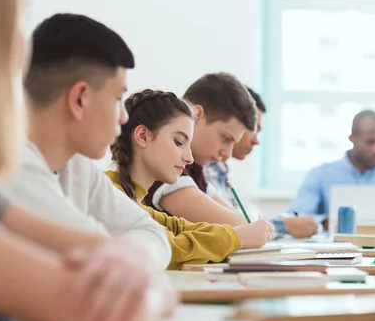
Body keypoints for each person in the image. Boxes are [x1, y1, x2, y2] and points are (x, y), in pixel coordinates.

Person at [0, 0, 171, 321]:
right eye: (20, 18)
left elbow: (129, 244)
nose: (123, 118)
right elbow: (96, 306)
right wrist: (154, 289)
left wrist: (134, 265)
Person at [4, 13, 175, 321]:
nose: (124, 117)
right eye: (117, 99)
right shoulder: (12, 169)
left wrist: (134, 255)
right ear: (79, 98)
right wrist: (139, 268)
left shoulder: (77, 166)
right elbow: (126, 281)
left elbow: (149, 232)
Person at [107, 89, 274, 269]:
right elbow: (170, 247)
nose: (189, 158)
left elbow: (181, 228)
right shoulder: (110, 195)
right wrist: (236, 237)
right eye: (179, 142)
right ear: (142, 136)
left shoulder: (135, 200)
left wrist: (237, 234)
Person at [144, 72, 257, 226]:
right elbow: (235, 224)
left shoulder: (194, 170)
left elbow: (239, 218)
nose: (227, 153)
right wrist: (251, 217)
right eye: (225, 138)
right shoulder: (164, 163)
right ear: (197, 115)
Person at [205, 87, 318, 239]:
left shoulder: (219, 170)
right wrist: (283, 226)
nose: (256, 140)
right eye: (253, 129)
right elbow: (235, 227)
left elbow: (239, 221)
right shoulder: (203, 170)